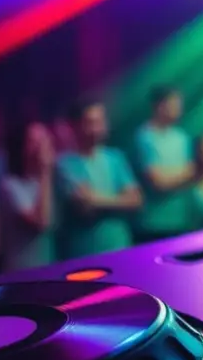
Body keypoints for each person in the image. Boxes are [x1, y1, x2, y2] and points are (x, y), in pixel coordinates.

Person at [56, 100, 142, 258]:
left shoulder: (115, 158)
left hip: (119, 245)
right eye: (91, 122)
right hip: (85, 251)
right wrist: (120, 199)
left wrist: (96, 199)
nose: (98, 128)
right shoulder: (65, 163)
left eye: (101, 121)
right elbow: (84, 208)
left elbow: (136, 200)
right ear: (77, 125)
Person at [134, 87, 195, 241]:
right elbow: (157, 183)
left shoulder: (181, 137)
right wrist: (183, 175)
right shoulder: (144, 136)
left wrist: (169, 176)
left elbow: (192, 174)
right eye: (174, 104)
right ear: (159, 106)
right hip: (152, 222)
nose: (179, 109)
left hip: (180, 219)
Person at [0, 122, 56, 271]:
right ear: (22, 148)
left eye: (43, 141)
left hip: (49, 268)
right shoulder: (11, 185)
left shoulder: (51, 182)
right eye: (34, 142)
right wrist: (45, 171)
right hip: (22, 272)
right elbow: (41, 221)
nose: (39, 148)